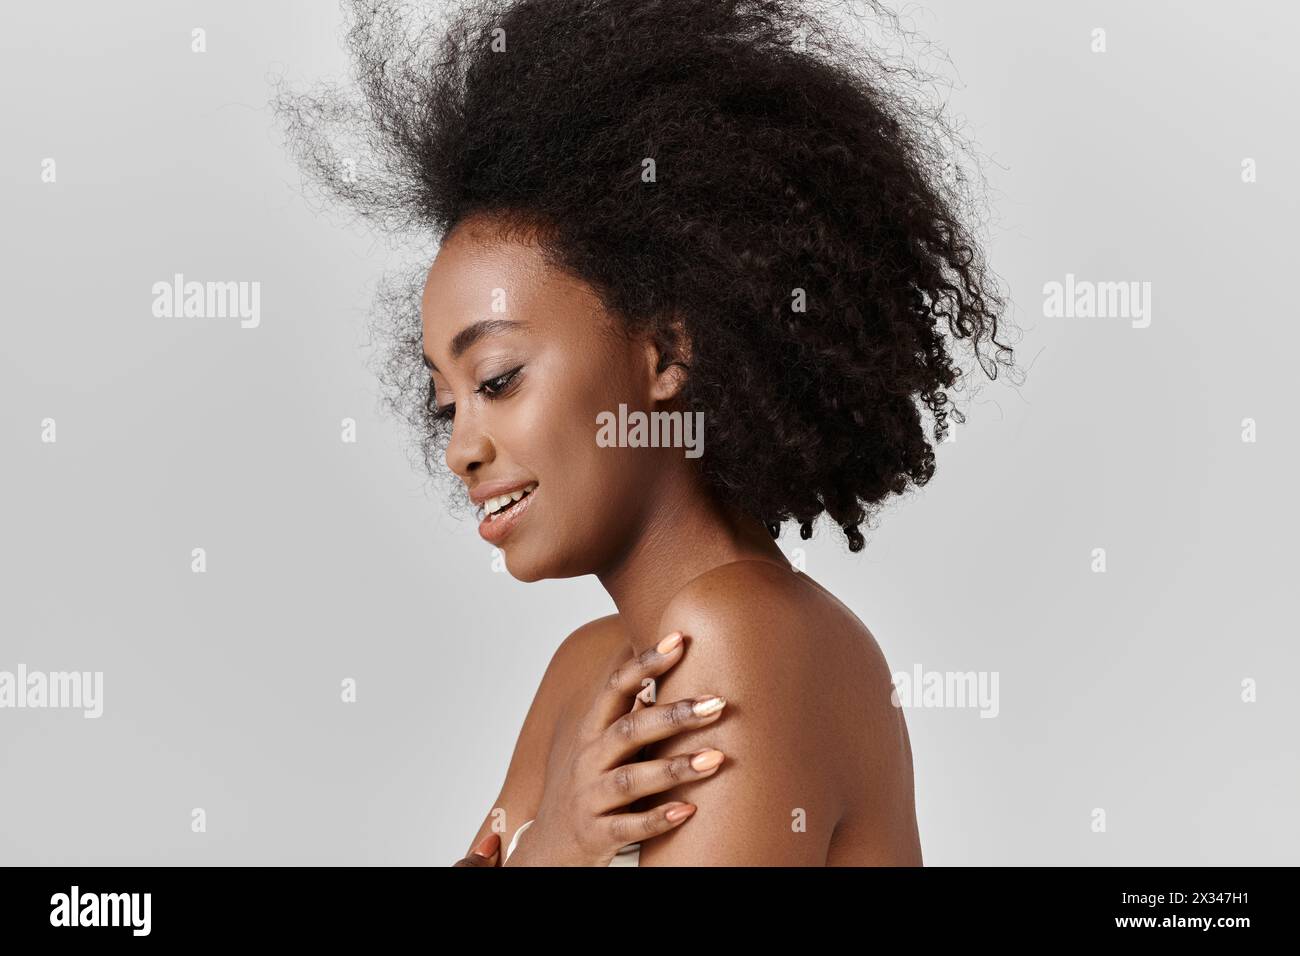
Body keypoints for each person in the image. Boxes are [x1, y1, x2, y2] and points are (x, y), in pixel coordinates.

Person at [278, 0, 1017, 865]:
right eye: (447, 404)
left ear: (665, 355)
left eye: (498, 380)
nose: (460, 449)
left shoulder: (745, 637)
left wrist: (550, 845)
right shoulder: (587, 673)